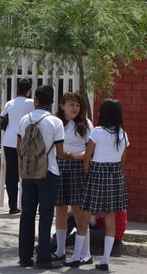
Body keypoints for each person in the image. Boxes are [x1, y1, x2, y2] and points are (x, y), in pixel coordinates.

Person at [17, 85, 79, 269]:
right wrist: (73, 155)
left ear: (35, 100)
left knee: (26, 214)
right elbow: (60, 153)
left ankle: (24, 256)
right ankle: (44, 257)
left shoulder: (24, 120)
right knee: (45, 215)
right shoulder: (55, 122)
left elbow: (18, 148)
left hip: (28, 174)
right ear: (52, 102)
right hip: (48, 172)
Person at [64, 99, 130, 272]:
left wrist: (88, 173)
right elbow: (123, 161)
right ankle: (105, 260)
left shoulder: (98, 132)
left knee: (84, 217)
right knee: (110, 216)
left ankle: (77, 256)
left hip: (97, 173)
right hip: (115, 175)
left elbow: (88, 157)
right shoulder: (122, 134)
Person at [52, 92, 94, 264]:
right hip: (59, 166)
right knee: (60, 208)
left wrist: (78, 156)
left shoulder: (85, 124)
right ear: (62, 106)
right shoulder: (56, 122)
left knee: (78, 210)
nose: (75, 108)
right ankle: (60, 250)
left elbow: (90, 148)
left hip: (78, 167)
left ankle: (85, 253)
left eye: (77, 105)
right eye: (71, 104)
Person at [0, 78, 34, 214]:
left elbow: (0, 121)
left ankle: (12, 205)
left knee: (11, 173)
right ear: (29, 90)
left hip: (9, 140)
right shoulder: (31, 103)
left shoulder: (9, 103)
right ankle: (27, 204)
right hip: (25, 140)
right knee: (28, 172)